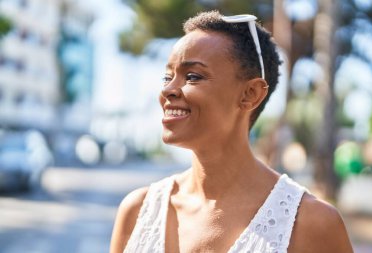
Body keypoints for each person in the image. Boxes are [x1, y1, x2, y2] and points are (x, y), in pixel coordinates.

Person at [110, 10, 353, 253]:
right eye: (167, 77)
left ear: (250, 94)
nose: (168, 90)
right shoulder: (137, 210)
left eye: (192, 76)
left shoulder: (313, 224)